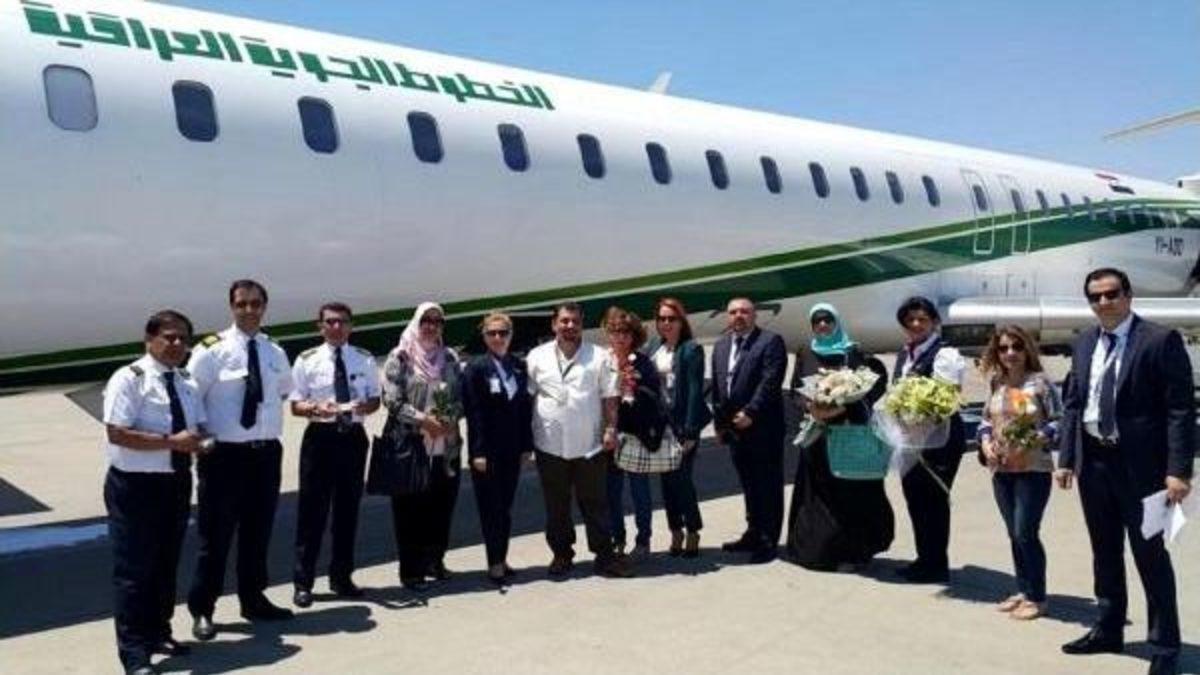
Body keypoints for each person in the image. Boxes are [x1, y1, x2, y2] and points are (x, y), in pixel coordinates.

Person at [1056, 268, 1193, 675]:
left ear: (1128, 296)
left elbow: (1180, 409)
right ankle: (1109, 627)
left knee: (1150, 556)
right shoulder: (1084, 342)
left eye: (1111, 294)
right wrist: (1066, 458)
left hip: (1143, 469)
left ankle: (1165, 646)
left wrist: (1179, 470)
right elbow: (1074, 403)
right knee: (1105, 551)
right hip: (1094, 462)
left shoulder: (1160, 340)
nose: (1104, 302)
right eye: (1095, 297)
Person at [187, 280, 295, 641]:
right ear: (231, 307)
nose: (249, 310)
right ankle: (203, 608)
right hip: (224, 456)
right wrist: (202, 439)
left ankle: (253, 599)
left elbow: (283, 391)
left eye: (255, 304)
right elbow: (191, 398)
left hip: (265, 453)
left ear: (264, 307)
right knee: (215, 537)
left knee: (257, 532)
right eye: (242, 304)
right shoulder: (210, 351)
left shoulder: (274, 351)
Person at [102, 310, 205, 675]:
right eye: (169, 337)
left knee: (165, 564)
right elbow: (117, 432)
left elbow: (196, 427)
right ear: (149, 340)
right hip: (135, 486)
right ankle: (134, 653)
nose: (176, 344)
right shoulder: (129, 379)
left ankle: (159, 631)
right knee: (134, 571)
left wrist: (202, 442)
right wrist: (171, 442)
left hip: (174, 482)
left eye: (182, 338)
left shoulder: (187, 381)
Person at [526, 302, 633, 578]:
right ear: (554, 324)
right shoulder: (536, 357)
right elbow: (528, 398)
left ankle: (604, 556)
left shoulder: (599, 356)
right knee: (556, 506)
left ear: (582, 325)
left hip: (589, 445)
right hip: (549, 445)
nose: (570, 326)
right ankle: (562, 554)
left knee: (595, 503)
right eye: (564, 321)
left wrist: (611, 428)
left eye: (575, 321)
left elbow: (610, 396)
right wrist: (526, 442)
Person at [785, 303, 892, 571]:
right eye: (817, 321)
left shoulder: (852, 352)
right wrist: (811, 408)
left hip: (847, 434)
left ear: (836, 323)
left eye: (827, 320)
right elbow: (795, 390)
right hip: (816, 436)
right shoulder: (805, 351)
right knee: (818, 494)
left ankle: (850, 552)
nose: (822, 325)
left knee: (848, 494)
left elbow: (870, 387)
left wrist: (840, 407)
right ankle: (817, 552)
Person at [288, 302, 381, 607]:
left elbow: (375, 400)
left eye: (342, 321)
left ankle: (342, 577)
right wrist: (315, 408)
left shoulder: (364, 358)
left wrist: (363, 406)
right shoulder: (307, 360)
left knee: (347, 511)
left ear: (351, 325)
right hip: (320, 438)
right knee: (311, 513)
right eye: (330, 322)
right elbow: (296, 404)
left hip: (352, 437)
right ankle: (303, 582)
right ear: (320, 326)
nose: (336, 327)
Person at [977, 325, 1061, 620]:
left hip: (1032, 468)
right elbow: (986, 420)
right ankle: (1023, 590)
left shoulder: (1040, 383)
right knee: (1014, 532)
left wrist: (1038, 437)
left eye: (1016, 346)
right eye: (1003, 348)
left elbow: (1060, 420)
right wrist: (985, 443)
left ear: (1027, 350)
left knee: (1026, 532)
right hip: (1002, 468)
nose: (1010, 353)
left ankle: (1038, 597)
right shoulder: (997, 383)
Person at [382, 302, 463, 591]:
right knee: (409, 512)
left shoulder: (450, 357)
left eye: (437, 321)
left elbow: (460, 396)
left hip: (445, 446)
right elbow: (392, 400)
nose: (431, 326)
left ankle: (434, 561)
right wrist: (423, 421)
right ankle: (411, 571)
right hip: (411, 446)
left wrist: (451, 417)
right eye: (426, 320)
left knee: (441, 508)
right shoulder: (400, 357)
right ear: (417, 323)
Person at [893, 295, 966, 584]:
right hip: (911, 439)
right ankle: (924, 558)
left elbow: (947, 398)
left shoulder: (945, 354)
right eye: (910, 320)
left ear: (934, 322)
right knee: (915, 498)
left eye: (922, 319)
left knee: (933, 500)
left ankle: (936, 564)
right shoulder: (906, 352)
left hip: (939, 441)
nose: (915, 324)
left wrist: (919, 419)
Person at [711, 297, 787, 564]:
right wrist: (720, 424)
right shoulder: (721, 345)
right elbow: (719, 387)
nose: (738, 316)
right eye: (733, 312)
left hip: (763, 427)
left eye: (744, 311)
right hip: (735, 429)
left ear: (755, 315)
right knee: (749, 484)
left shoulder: (770, 341)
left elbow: (770, 381)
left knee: (767, 485)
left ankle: (768, 541)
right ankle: (753, 532)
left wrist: (751, 412)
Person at [461, 312, 534, 584]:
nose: (498, 338)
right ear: (484, 337)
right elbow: (475, 414)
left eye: (503, 333)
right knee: (491, 509)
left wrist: (526, 446)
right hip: (487, 452)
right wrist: (477, 452)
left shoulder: (518, 366)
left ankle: (501, 558)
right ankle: (494, 563)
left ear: (511, 335)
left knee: (505, 507)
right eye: (492, 333)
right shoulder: (476, 368)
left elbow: (525, 410)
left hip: (512, 449)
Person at [644, 298, 711, 557]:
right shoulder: (654, 347)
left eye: (671, 319)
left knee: (681, 480)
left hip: (683, 425)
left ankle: (693, 530)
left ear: (681, 321)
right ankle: (676, 530)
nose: (666, 323)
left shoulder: (691, 349)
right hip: (661, 426)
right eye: (661, 319)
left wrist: (691, 432)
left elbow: (695, 392)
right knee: (666, 482)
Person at [603, 307, 665, 561]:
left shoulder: (643, 363)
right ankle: (617, 538)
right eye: (615, 332)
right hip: (609, 436)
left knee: (640, 491)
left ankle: (643, 540)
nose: (620, 338)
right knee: (611, 493)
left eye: (625, 333)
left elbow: (654, 398)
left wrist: (635, 388)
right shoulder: (602, 361)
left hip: (636, 434)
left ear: (634, 336)